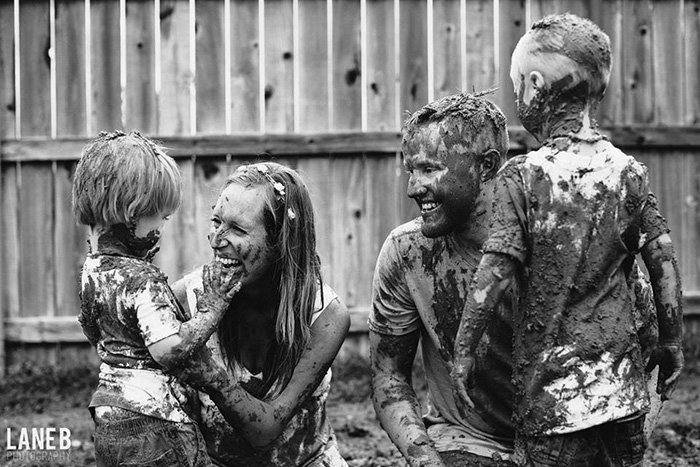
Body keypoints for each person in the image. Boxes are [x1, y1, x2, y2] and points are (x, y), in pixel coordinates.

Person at [452, 14, 684, 467]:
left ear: (535, 86)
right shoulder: (628, 173)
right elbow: (663, 261)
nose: (519, 95)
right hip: (623, 398)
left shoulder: (525, 177)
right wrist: (672, 341)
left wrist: (464, 353)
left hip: (553, 402)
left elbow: (493, 274)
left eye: (518, 85)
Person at [72, 131, 240, 467]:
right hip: (154, 421)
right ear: (132, 212)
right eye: (160, 217)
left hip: (108, 414)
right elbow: (170, 351)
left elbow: (92, 331)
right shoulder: (141, 279)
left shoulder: (91, 273)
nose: (162, 228)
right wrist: (212, 308)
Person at [369, 91, 518, 467]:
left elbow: (647, 355)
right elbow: (389, 377)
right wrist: (425, 459)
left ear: (486, 166)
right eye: (410, 171)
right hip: (469, 440)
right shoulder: (408, 251)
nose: (412, 188)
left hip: (565, 438)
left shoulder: (554, 241)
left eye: (429, 169)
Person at [171, 161, 351, 467]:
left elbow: (265, 430)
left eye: (238, 229)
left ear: (282, 241)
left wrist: (212, 377)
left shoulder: (323, 316)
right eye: (216, 221)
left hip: (306, 461)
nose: (216, 239)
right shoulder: (188, 300)